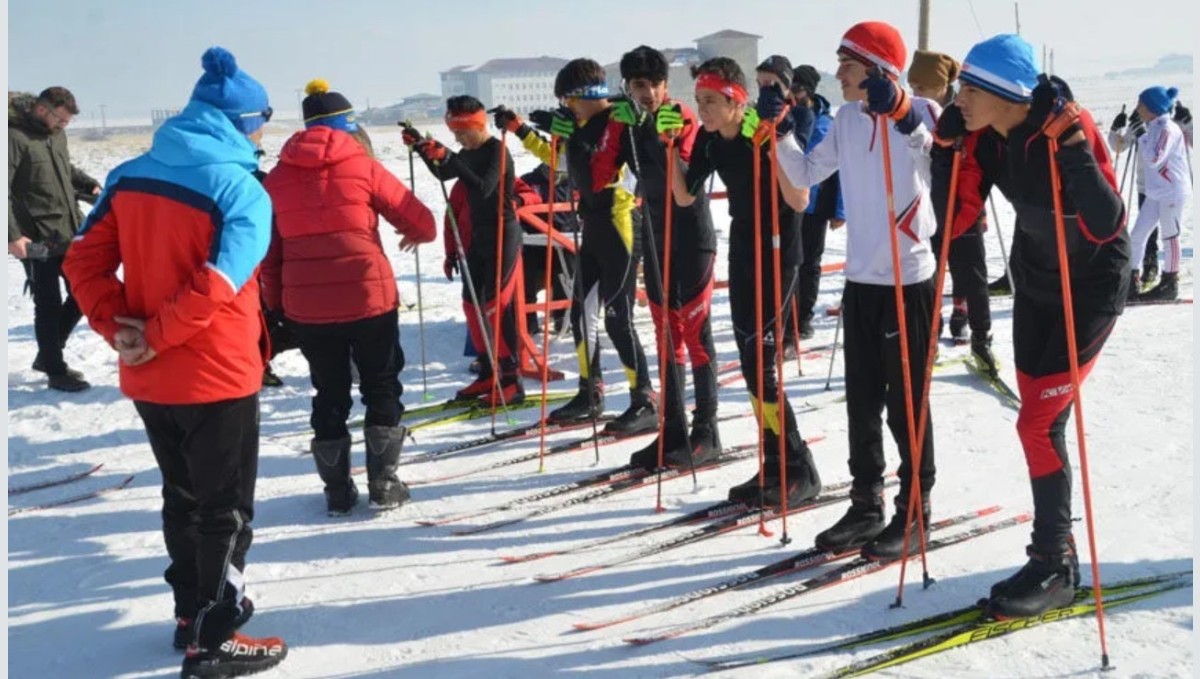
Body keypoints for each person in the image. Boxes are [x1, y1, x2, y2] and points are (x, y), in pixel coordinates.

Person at [62, 47, 287, 678]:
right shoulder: (240, 189)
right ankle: (214, 638)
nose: (263, 134)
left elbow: (81, 261)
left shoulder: (130, 174)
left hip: (152, 377)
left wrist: (121, 330)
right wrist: (153, 335)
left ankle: (192, 613)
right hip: (215, 372)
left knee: (183, 498)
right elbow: (220, 283)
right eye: (263, 121)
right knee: (225, 509)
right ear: (243, 123)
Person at [931, 34, 1128, 618]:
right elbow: (954, 220)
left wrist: (1073, 147)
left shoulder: (1066, 124)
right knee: (1039, 424)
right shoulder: (984, 137)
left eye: (969, 90)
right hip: (1037, 282)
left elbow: (1106, 223)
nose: (959, 99)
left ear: (1005, 94)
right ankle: (1054, 555)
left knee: (1038, 423)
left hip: (1089, 287)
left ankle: (1054, 565)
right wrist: (945, 152)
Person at [771, 21, 941, 559]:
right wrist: (781, 132)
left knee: (906, 406)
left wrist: (904, 115)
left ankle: (915, 510)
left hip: (907, 280)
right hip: (861, 279)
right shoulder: (845, 119)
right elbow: (806, 174)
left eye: (847, 65)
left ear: (878, 70)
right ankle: (867, 503)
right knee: (862, 402)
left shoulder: (923, 111)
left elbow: (938, 164)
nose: (838, 74)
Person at [263, 79, 435, 516]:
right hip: (367, 296)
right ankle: (384, 483)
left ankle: (337, 491)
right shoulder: (363, 167)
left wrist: (279, 305)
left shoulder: (277, 179)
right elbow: (423, 222)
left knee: (329, 390)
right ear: (348, 126)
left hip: (308, 306)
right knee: (381, 383)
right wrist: (413, 233)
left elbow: (270, 255)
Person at [666, 56, 821, 507]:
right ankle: (775, 462)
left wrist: (774, 144)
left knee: (763, 367)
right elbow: (684, 195)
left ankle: (799, 466)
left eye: (711, 101)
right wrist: (672, 147)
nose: (704, 110)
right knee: (752, 365)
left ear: (737, 101)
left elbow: (800, 199)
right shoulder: (711, 140)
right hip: (743, 249)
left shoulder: (762, 130)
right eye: (699, 101)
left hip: (778, 250)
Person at [492, 58, 657, 435]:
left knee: (618, 318)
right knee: (582, 314)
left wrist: (572, 134)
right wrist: (520, 129)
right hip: (593, 225)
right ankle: (590, 392)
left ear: (586, 95)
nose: (566, 108)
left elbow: (601, 169)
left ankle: (644, 399)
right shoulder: (581, 124)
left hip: (620, 224)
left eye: (568, 101)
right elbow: (562, 162)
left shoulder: (618, 120)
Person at [605, 44, 723, 469]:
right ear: (628, 87)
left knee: (695, 335)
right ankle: (672, 429)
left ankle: (707, 430)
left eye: (656, 84)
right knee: (665, 335)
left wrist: (662, 136)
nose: (650, 93)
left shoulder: (680, 116)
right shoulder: (630, 123)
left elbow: (686, 184)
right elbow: (602, 175)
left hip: (692, 239)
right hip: (656, 239)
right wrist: (606, 130)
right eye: (640, 86)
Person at [403, 95, 524, 406]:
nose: (458, 139)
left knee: (495, 306)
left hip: (503, 233)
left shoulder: (497, 150)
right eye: (453, 134)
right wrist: (422, 148)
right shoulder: (469, 152)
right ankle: (487, 370)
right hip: (478, 237)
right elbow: (444, 174)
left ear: (478, 125)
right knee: (471, 304)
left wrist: (449, 156)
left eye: (461, 133)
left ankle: (511, 379)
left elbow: (483, 186)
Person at [908, 49, 998, 374]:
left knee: (971, 274)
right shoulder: (917, 112)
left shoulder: (964, 112)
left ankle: (977, 334)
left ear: (943, 86)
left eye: (923, 88)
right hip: (928, 209)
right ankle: (929, 336)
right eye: (913, 87)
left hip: (965, 208)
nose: (917, 94)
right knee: (929, 275)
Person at [8, 86, 101, 392]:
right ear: (41, 110)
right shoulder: (13, 138)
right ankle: (55, 369)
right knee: (47, 303)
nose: (64, 125)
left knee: (83, 293)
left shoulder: (56, 135)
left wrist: (89, 185)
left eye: (68, 121)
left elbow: (64, 169)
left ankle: (48, 355)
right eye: (60, 119)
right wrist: (12, 236)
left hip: (68, 230)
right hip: (35, 238)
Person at [789, 65, 845, 339]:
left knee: (809, 262)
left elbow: (841, 169)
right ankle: (785, 315)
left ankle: (803, 317)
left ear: (809, 92)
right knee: (788, 261)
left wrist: (840, 209)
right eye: (790, 88)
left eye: (798, 89)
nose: (793, 95)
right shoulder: (784, 116)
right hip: (788, 199)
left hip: (816, 204)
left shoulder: (827, 123)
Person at [1128, 86, 1190, 301]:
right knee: (1137, 235)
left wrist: (1141, 134)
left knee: (1170, 236)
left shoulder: (1166, 129)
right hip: (1156, 191)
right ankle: (1131, 281)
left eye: (1141, 105)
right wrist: (1141, 133)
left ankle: (1170, 283)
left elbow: (1154, 158)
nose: (1138, 109)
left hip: (1172, 191)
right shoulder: (1154, 127)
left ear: (1152, 107)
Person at [516, 162, 576, 336]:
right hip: (533, 240)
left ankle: (562, 318)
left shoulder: (573, 182)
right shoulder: (529, 181)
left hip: (563, 241)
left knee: (565, 272)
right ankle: (528, 320)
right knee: (527, 273)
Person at [1108, 102, 1157, 285]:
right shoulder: (1138, 124)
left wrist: (1140, 129)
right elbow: (1119, 146)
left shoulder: (1163, 126)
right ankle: (1144, 266)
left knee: (1156, 230)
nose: (1138, 109)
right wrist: (1115, 129)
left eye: (1142, 106)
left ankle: (1152, 265)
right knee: (1144, 230)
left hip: (1163, 186)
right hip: (1144, 186)